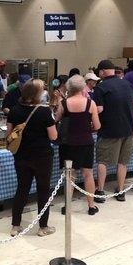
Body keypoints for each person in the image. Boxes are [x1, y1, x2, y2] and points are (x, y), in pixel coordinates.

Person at [7, 79, 57, 237]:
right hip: (42, 156)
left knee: (22, 189)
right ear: (36, 93)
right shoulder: (43, 111)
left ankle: (15, 225)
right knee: (43, 190)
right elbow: (53, 136)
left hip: (21, 155)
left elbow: (10, 135)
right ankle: (43, 227)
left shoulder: (15, 110)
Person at [93, 60, 133, 202]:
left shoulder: (100, 88)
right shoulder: (127, 84)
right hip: (128, 129)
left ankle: (100, 191)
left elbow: (99, 109)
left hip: (109, 130)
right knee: (123, 162)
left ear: (102, 72)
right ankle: (120, 191)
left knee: (103, 160)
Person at [55, 75, 101, 215]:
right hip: (86, 141)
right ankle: (91, 206)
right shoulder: (90, 103)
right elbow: (98, 125)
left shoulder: (64, 103)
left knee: (70, 175)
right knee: (88, 173)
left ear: (69, 87)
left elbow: (56, 119)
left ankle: (67, 206)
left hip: (68, 143)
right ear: (82, 87)